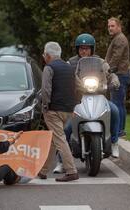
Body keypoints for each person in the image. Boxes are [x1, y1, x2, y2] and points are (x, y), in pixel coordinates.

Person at [53, 33, 121, 173]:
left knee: (114, 111)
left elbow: (110, 72)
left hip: (99, 97)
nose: (84, 51)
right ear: (77, 49)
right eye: (81, 48)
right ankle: (60, 161)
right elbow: (62, 74)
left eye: (87, 48)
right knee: (66, 129)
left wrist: (114, 79)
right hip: (78, 99)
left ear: (92, 49)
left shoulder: (100, 61)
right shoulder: (70, 63)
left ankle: (114, 142)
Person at [38, 41, 79, 182]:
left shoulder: (49, 68)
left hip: (53, 110)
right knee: (54, 139)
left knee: (60, 140)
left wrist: (45, 107)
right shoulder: (69, 68)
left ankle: (71, 171)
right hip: (68, 110)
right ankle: (43, 170)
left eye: (44, 55)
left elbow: (45, 90)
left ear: (48, 55)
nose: (44, 57)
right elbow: (79, 86)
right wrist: (75, 104)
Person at [106, 17, 130, 137]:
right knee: (119, 103)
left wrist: (107, 70)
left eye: (112, 26)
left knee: (117, 104)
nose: (110, 28)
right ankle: (120, 130)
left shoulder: (120, 39)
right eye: (109, 26)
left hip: (119, 75)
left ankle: (119, 130)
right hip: (120, 74)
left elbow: (116, 57)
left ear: (119, 27)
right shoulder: (117, 38)